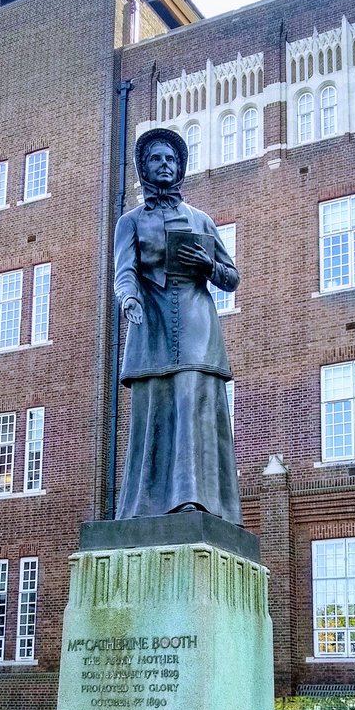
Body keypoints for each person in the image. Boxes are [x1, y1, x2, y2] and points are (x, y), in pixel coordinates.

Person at [114, 127, 242, 525]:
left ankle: (195, 500)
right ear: (144, 167)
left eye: (171, 159)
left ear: (180, 166)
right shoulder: (130, 221)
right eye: (156, 159)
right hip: (150, 322)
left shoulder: (200, 220)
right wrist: (129, 298)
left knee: (191, 402)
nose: (164, 165)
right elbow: (124, 271)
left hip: (196, 321)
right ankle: (144, 506)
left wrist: (207, 265)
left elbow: (231, 278)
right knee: (154, 410)